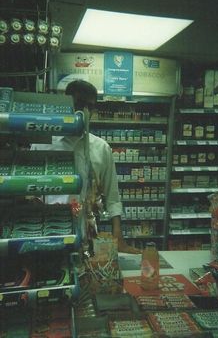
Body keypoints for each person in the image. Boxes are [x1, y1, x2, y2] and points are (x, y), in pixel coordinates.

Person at [32, 79, 139, 254]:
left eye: (91, 107)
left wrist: (118, 239)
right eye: (80, 104)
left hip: (88, 239)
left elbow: (112, 197)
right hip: (49, 235)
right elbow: (33, 196)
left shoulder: (101, 148)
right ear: (66, 104)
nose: (85, 112)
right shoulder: (43, 143)